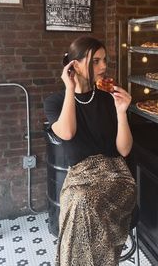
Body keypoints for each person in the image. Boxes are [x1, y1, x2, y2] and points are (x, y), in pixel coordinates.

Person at [44, 36, 137, 266]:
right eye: (95, 61)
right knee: (80, 200)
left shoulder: (108, 98)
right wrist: (70, 89)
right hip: (80, 177)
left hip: (117, 175)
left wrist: (122, 112)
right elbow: (66, 132)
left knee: (83, 201)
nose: (103, 66)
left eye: (104, 60)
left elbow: (124, 150)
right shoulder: (55, 103)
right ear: (74, 65)